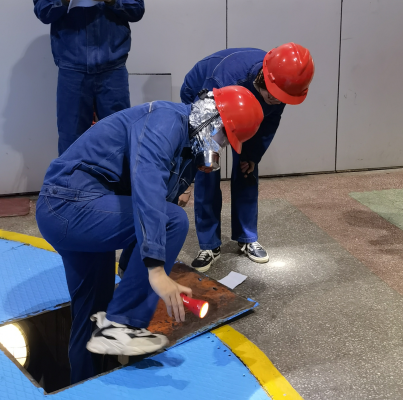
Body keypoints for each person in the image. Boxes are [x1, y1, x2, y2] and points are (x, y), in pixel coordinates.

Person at [35, 86, 264, 384]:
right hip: (68, 205)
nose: (219, 145)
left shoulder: (187, 145)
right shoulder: (164, 121)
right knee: (173, 220)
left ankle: (85, 385)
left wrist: (136, 274)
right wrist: (155, 271)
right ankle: (122, 324)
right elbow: (148, 191)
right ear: (211, 118)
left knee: (93, 313)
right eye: (223, 136)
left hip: (79, 211)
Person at [179, 43, 315, 272]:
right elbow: (203, 132)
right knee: (208, 169)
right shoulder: (223, 80)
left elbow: (269, 122)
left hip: (246, 97)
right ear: (264, 78)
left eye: (282, 99)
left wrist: (253, 156)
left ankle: (247, 237)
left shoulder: (283, 85)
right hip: (205, 94)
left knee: (247, 168)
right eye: (274, 96)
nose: (278, 102)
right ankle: (209, 245)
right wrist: (187, 179)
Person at [33, 0, 145, 155]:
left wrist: (112, 1)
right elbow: (43, 11)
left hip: (113, 69)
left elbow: (137, 10)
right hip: (72, 70)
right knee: (71, 143)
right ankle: (72, 173)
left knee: (118, 139)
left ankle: (117, 172)